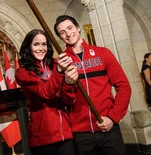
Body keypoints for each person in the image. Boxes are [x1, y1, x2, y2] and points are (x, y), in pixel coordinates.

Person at [54, 15, 131, 155]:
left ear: (78, 28)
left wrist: (113, 117)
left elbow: (124, 87)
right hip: (81, 134)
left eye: (70, 28)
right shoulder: (60, 63)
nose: (68, 33)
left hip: (108, 129)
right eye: (62, 32)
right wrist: (67, 83)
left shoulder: (103, 54)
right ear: (60, 37)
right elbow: (64, 100)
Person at [15, 29, 79, 155]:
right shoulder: (23, 72)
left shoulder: (55, 64)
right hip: (43, 137)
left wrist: (69, 83)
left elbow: (68, 99)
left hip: (65, 132)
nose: (41, 48)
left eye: (44, 44)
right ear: (28, 46)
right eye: (36, 44)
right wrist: (60, 72)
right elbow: (45, 92)